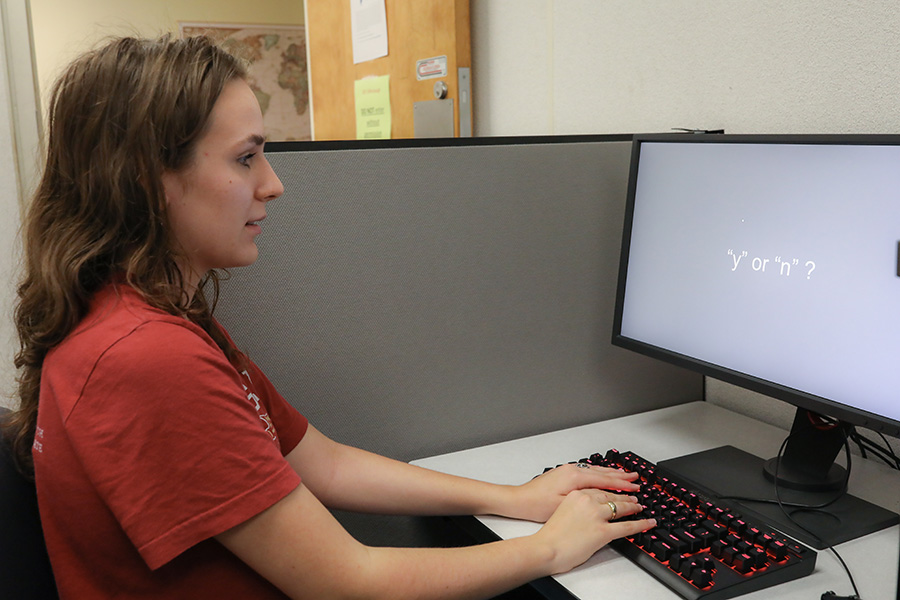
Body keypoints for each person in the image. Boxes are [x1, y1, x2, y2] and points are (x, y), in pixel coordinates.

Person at [5, 34, 655, 599]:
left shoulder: (145, 314)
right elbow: (346, 582)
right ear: (149, 180)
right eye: (244, 157)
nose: (273, 183)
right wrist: (552, 548)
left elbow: (326, 464)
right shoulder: (145, 356)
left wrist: (513, 497)